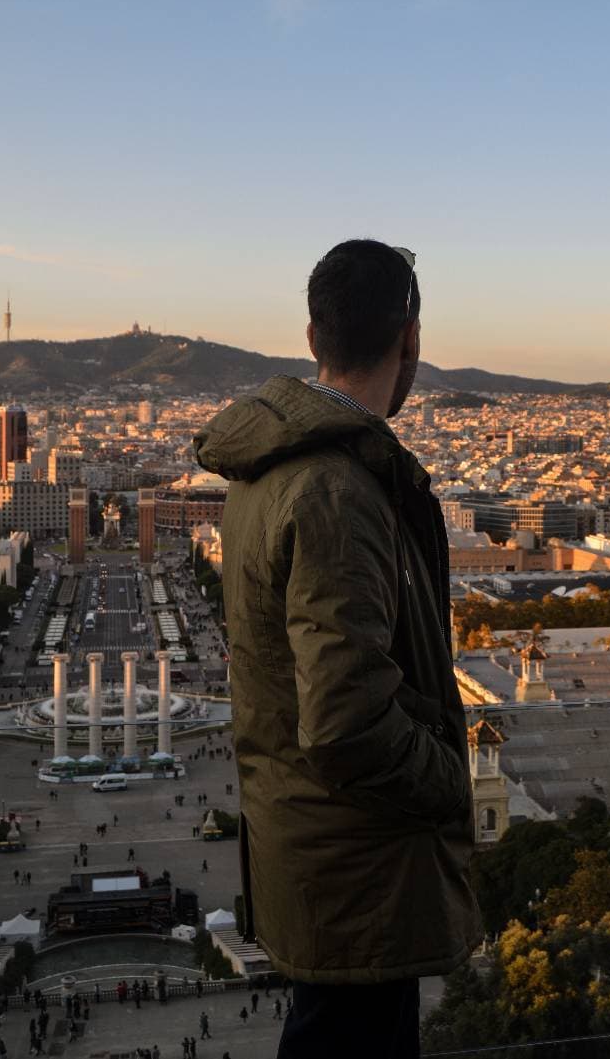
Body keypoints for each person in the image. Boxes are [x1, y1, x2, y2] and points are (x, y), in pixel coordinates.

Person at [194, 240, 481, 1059]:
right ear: (411, 340)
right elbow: (347, 718)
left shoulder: (267, 471)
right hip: (362, 859)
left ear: (313, 337)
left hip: (315, 839)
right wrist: (447, 782)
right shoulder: (337, 488)